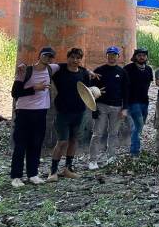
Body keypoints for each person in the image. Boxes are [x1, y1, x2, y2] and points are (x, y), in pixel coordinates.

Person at [10, 47, 59, 188]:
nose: (48, 58)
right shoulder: (25, 71)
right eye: (45, 55)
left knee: (36, 144)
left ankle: (33, 174)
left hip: (41, 113)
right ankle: (16, 176)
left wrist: (88, 71)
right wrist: (34, 88)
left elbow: (68, 65)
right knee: (20, 145)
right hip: (24, 112)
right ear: (39, 55)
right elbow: (15, 92)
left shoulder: (51, 69)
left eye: (51, 57)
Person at [49, 48, 95, 181]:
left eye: (78, 58)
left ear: (81, 60)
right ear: (68, 57)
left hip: (79, 112)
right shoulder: (60, 70)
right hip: (63, 112)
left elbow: (87, 91)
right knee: (62, 141)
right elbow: (45, 69)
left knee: (74, 140)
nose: (75, 60)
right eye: (73, 57)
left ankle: (68, 168)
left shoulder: (83, 73)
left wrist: (95, 92)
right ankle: (53, 171)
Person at [88, 46, 129, 170]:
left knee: (113, 134)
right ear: (106, 56)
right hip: (101, 106)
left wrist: (125, 108)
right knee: (97, 134)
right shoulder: (99, 70)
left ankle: (111, 158)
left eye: (114, 55)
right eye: (109, 54)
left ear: (118, 57)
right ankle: (93, 160)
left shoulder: (122, 72)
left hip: (117, 107)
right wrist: (94, 108)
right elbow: (90, 90)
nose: (112, 57)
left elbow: (126, 91)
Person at [124, 48, 153, 156]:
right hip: (132, 101)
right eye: (139, 55)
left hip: (145, 101)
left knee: (139, 126)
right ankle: (135, 152)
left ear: (146, 57)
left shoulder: (149, 69)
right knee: (138, 125)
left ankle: (135, 148)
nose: (142, 57)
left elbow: (148, 85)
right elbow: (124, 86)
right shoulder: (128, 69)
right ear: (135, 56)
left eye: (144, 55)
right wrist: (125, 104)